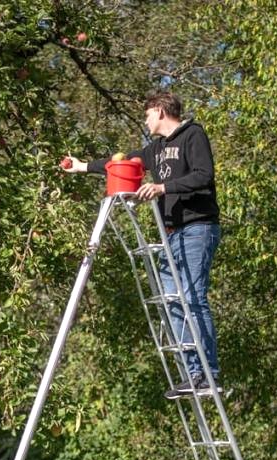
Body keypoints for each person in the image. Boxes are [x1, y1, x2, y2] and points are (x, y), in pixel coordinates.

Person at [63, 92, 221, 399]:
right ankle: (193, 374)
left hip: (197, 227)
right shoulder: (156, 149)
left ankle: (208, 373)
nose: (145, 120)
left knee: (192, 296)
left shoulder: (193, 135)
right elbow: (121, 162)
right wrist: (83, 167)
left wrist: (163, 187)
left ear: (160, 112)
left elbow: (204, 175)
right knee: (172, 299)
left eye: (147, 115)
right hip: (172, 233)